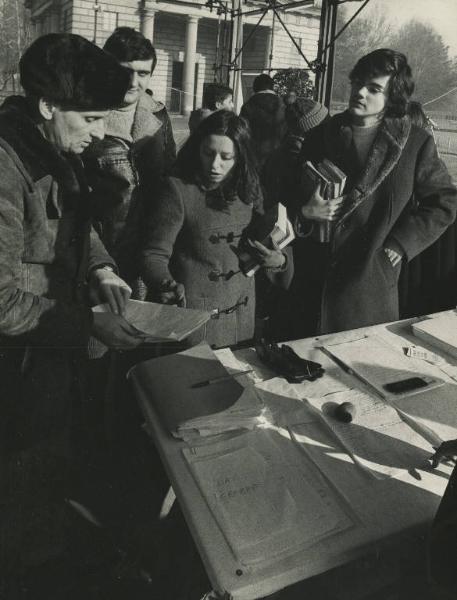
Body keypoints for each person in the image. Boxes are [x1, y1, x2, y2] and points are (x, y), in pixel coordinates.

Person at [0, 33, 146, 595]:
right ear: (46, 106)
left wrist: (101, 270)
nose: (100, 132)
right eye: (89, 118)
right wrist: (88, 324)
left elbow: (72, 230)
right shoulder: (6, 168)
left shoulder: (50, 148)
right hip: (14, 373)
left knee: (45, 485)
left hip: (45, 364)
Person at [291, 48, 457, 337]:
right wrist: (307, 212)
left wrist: (401, 244)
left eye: (374, 89)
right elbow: (289, 195)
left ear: (391, 97)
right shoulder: (319, 136)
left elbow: (444, 201)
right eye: (358, 83)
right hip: (313, 283)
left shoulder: (414, 144)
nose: (360, 92)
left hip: (369, 290)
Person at [141, 110, 292, 348]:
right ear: (196, 149)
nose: (215, 165)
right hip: (194, 321)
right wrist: (165, 283)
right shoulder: (178, 189)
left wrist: (278, 260)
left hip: (242, 319)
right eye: (208, 153)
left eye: (226, 157)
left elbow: (272, 239)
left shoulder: (250, 189)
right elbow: (154, 253)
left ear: (240, 158)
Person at [83, 27, 176, 298]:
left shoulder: (158, 114)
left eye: (143, 73)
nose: (133, 82)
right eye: (125, 70)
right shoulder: (86, 117)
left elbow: (172, 178)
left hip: (153, 253)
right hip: (102, 255)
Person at [240, 73, 286, 171]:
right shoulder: (283, 106)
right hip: (278, 157)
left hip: (253, 158)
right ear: (272, 87)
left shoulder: (248, 106)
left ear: (254, 88)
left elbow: (241, 132)